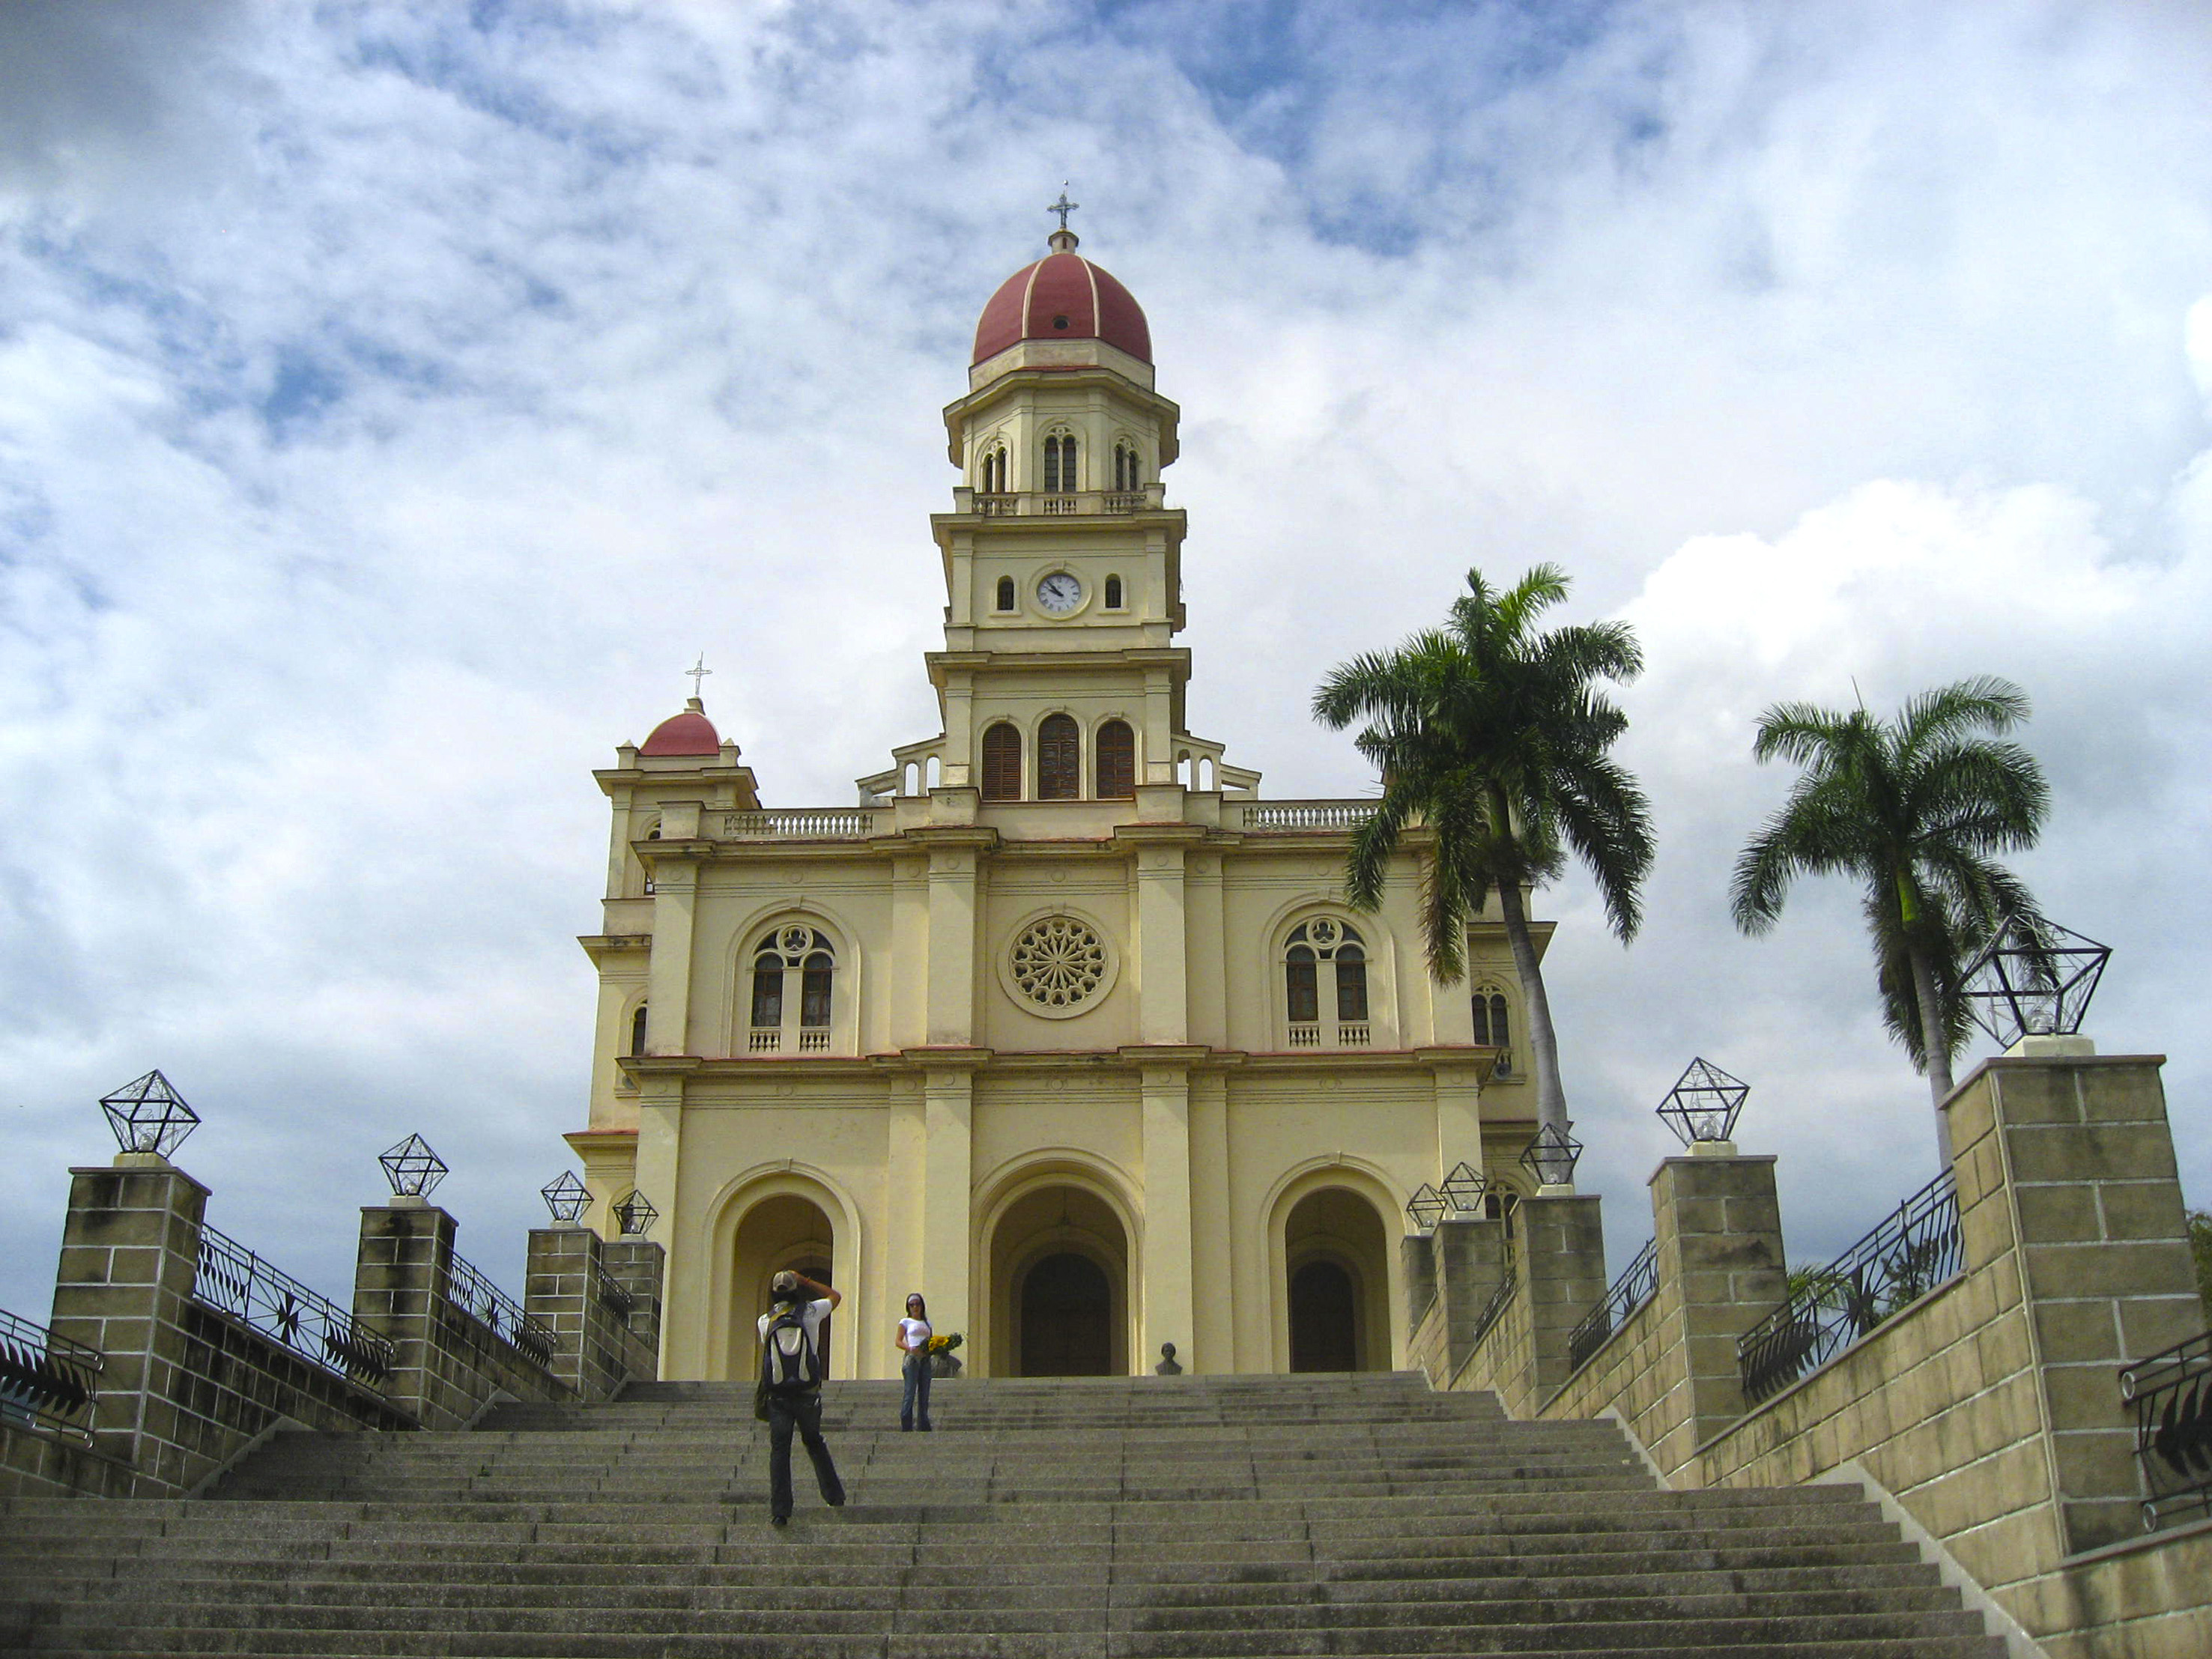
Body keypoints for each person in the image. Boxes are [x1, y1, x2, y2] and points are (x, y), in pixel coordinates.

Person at [757, 1270, 845, 1527]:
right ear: (797, 1289)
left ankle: (780, 1511)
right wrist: (807, 1280)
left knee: (779, 1451)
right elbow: (835, 1296)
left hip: (779, 1396)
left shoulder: (765, 1320)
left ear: (774, 1292)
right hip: (807, 1393)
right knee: (814, 1442)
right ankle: (834, 1495)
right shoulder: (810, 1312)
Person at [896, 1292, 934, 1431]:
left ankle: (923, 1422)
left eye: (917, 1304)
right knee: (910, 1391)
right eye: (912, 1305)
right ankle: (906, 1422)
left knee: (924, 1392)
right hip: (912, 1358)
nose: (915, 1307)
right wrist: (909, 1348)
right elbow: (898, 1341)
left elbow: (931, 1339)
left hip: (925, 1358)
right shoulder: (905, 1322)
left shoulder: (927, 1323)